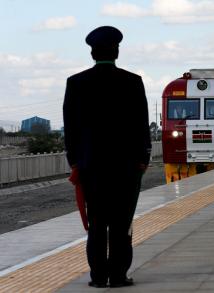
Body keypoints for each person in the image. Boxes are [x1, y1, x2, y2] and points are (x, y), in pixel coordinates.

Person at [63, 26, 151, 288]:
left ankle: (98, 277)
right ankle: (118, 275)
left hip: (91, 167)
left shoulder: (75, 83)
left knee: (98, 222)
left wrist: (75, 162)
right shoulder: (132, 82)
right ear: (117, 51)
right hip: (126, 167)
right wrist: (143, 158)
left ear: (92, 52)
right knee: (122, 223)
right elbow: (141, 124)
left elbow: (71, 128)